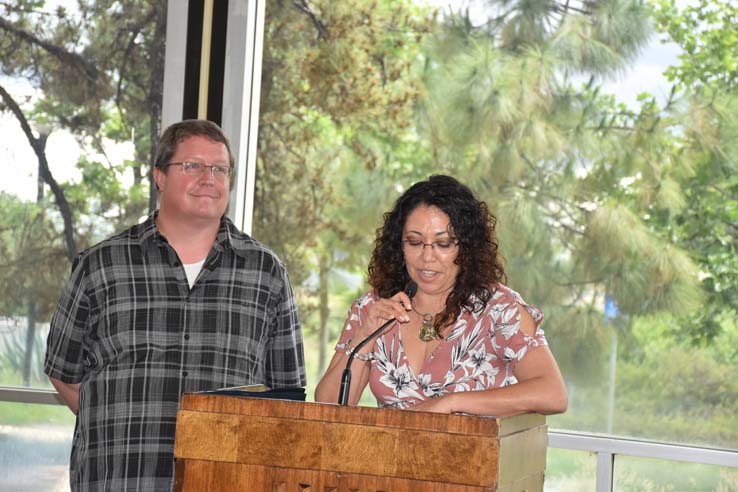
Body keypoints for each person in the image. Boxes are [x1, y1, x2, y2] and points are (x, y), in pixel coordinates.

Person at [44, 119, 306, 491]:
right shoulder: (101, 265)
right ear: (160, 177)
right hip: (120, 481)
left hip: (223, 483)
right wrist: (111, 422)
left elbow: (287, 397)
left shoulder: (267, 273)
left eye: (219, 169)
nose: (209, 178)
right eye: (193, 166)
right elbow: (62, 370)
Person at [315, 175, 567, 417]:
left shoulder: (499, 309)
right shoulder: (374, 307)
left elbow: (552, 394)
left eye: (443, 244)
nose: (427, 257)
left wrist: (449, 403)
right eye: (414, 242)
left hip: (473, 459)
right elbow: (327, 406)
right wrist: (364, 335)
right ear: (399, 246)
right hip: (389, 457)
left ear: (467, 248)